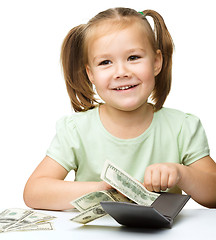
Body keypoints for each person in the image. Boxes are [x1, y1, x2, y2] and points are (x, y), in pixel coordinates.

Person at [23, 7, 216, 210]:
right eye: (105, 62)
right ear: (91, 74)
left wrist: (182, 174)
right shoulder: (76, 130)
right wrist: (102, 189)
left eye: (133, 57)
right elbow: (34, 192)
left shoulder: (182, 127)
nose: (121, 72)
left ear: (157, 62)